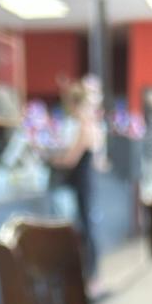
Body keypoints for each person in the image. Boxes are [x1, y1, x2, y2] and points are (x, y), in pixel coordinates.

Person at [48, 79, 105, 284]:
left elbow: (71, 159)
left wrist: (53, 160)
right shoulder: (95, 128)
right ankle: (91, 274)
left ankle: (90, 275)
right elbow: (99, 162)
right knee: (89, 226)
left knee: (85, 227)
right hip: (89, 180)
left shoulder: (85, 128)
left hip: (82, 183)